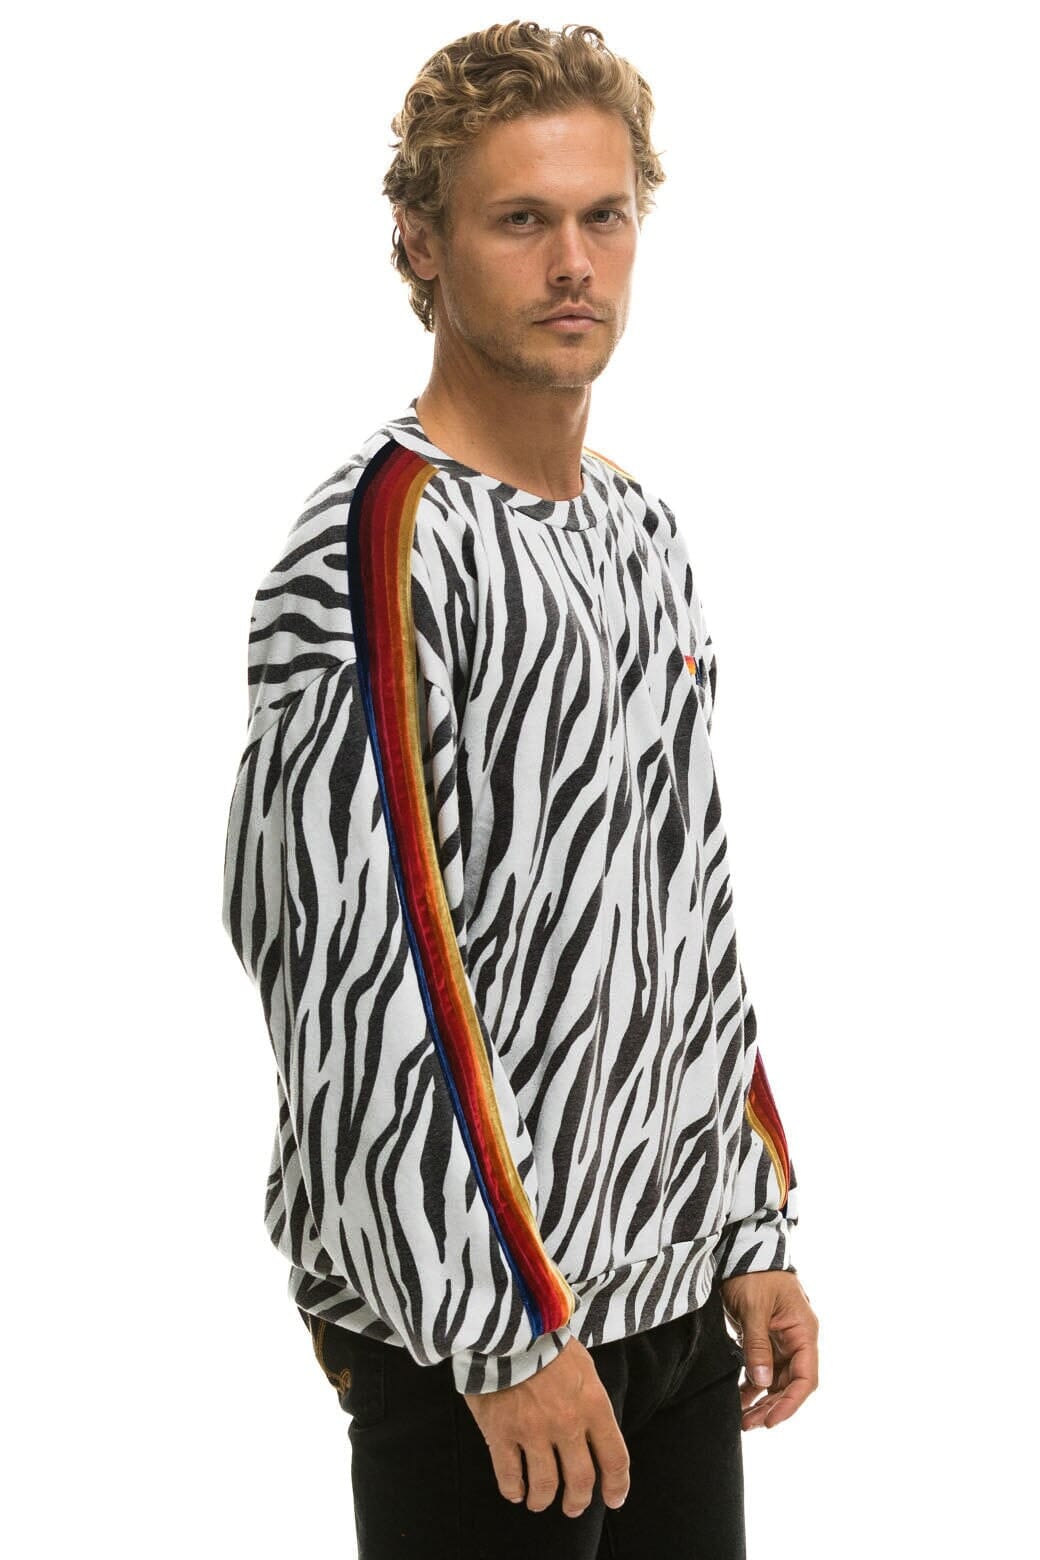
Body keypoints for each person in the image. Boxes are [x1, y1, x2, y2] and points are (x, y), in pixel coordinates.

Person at [221, 19, 819, 1559]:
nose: (573, 263)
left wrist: (746, 1220)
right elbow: (344, 975)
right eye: (520, 219)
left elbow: (683, 903)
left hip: (670, 1297)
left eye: (604, 215)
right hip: (481, 1340)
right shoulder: (372, 547)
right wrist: (496, 1328)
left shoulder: (639, 529)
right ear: (421, 243)